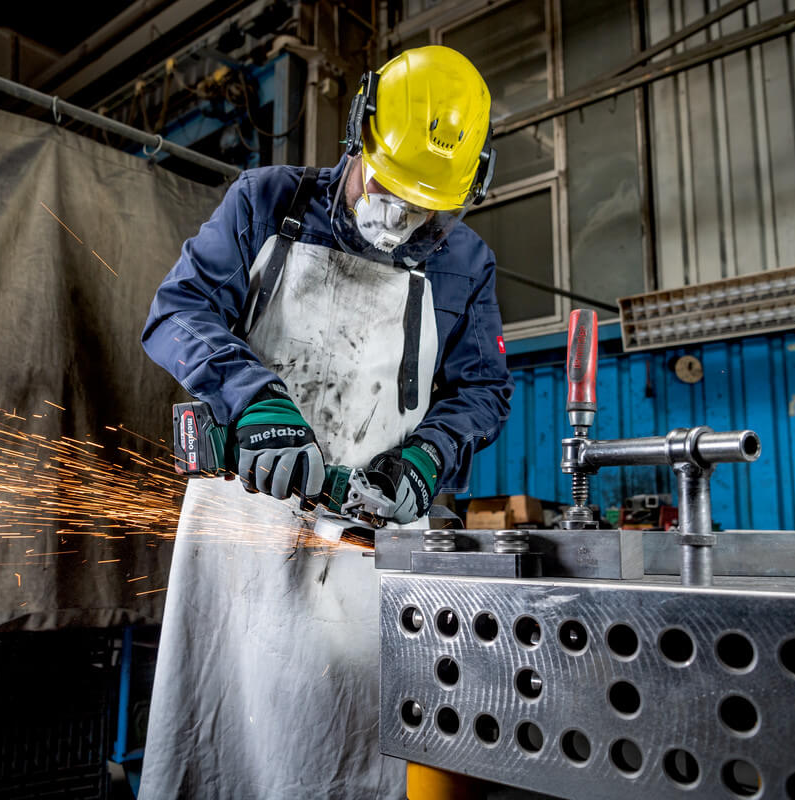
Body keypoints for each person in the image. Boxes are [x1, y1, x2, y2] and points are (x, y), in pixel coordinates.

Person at [137, 45, 513, 800]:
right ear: (360, 132)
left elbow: (482, 390)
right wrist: (256, 402)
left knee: (348, 745)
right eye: (389, 184)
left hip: (367, 549)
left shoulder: (466, 262)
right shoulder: (266, 202)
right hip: (242, 530)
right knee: (222, 742)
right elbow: (178, 311)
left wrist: (427, 460)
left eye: (425, 203)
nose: (401, 212)